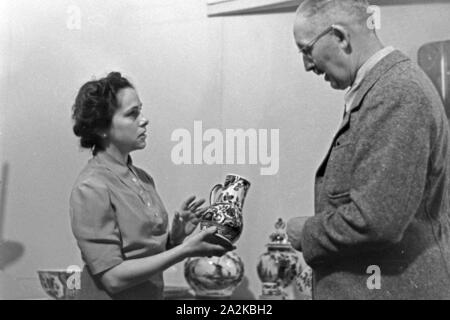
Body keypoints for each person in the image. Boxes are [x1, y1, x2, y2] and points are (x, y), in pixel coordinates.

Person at [287, 0, 450, 299]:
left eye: (306, 50)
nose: (307, 65)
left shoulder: (396, 92)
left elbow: (377, 220)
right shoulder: (383, 89)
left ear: (339, 36)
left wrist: (307, 232)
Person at [70, 72, 231, 300]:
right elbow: (113, 278)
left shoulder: (142, 178)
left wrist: (174, 239)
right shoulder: (91, 187)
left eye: (140, 111)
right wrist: (184, 250)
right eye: (132, 114)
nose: (144, 120)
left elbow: (142, 256)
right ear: (101, 128)